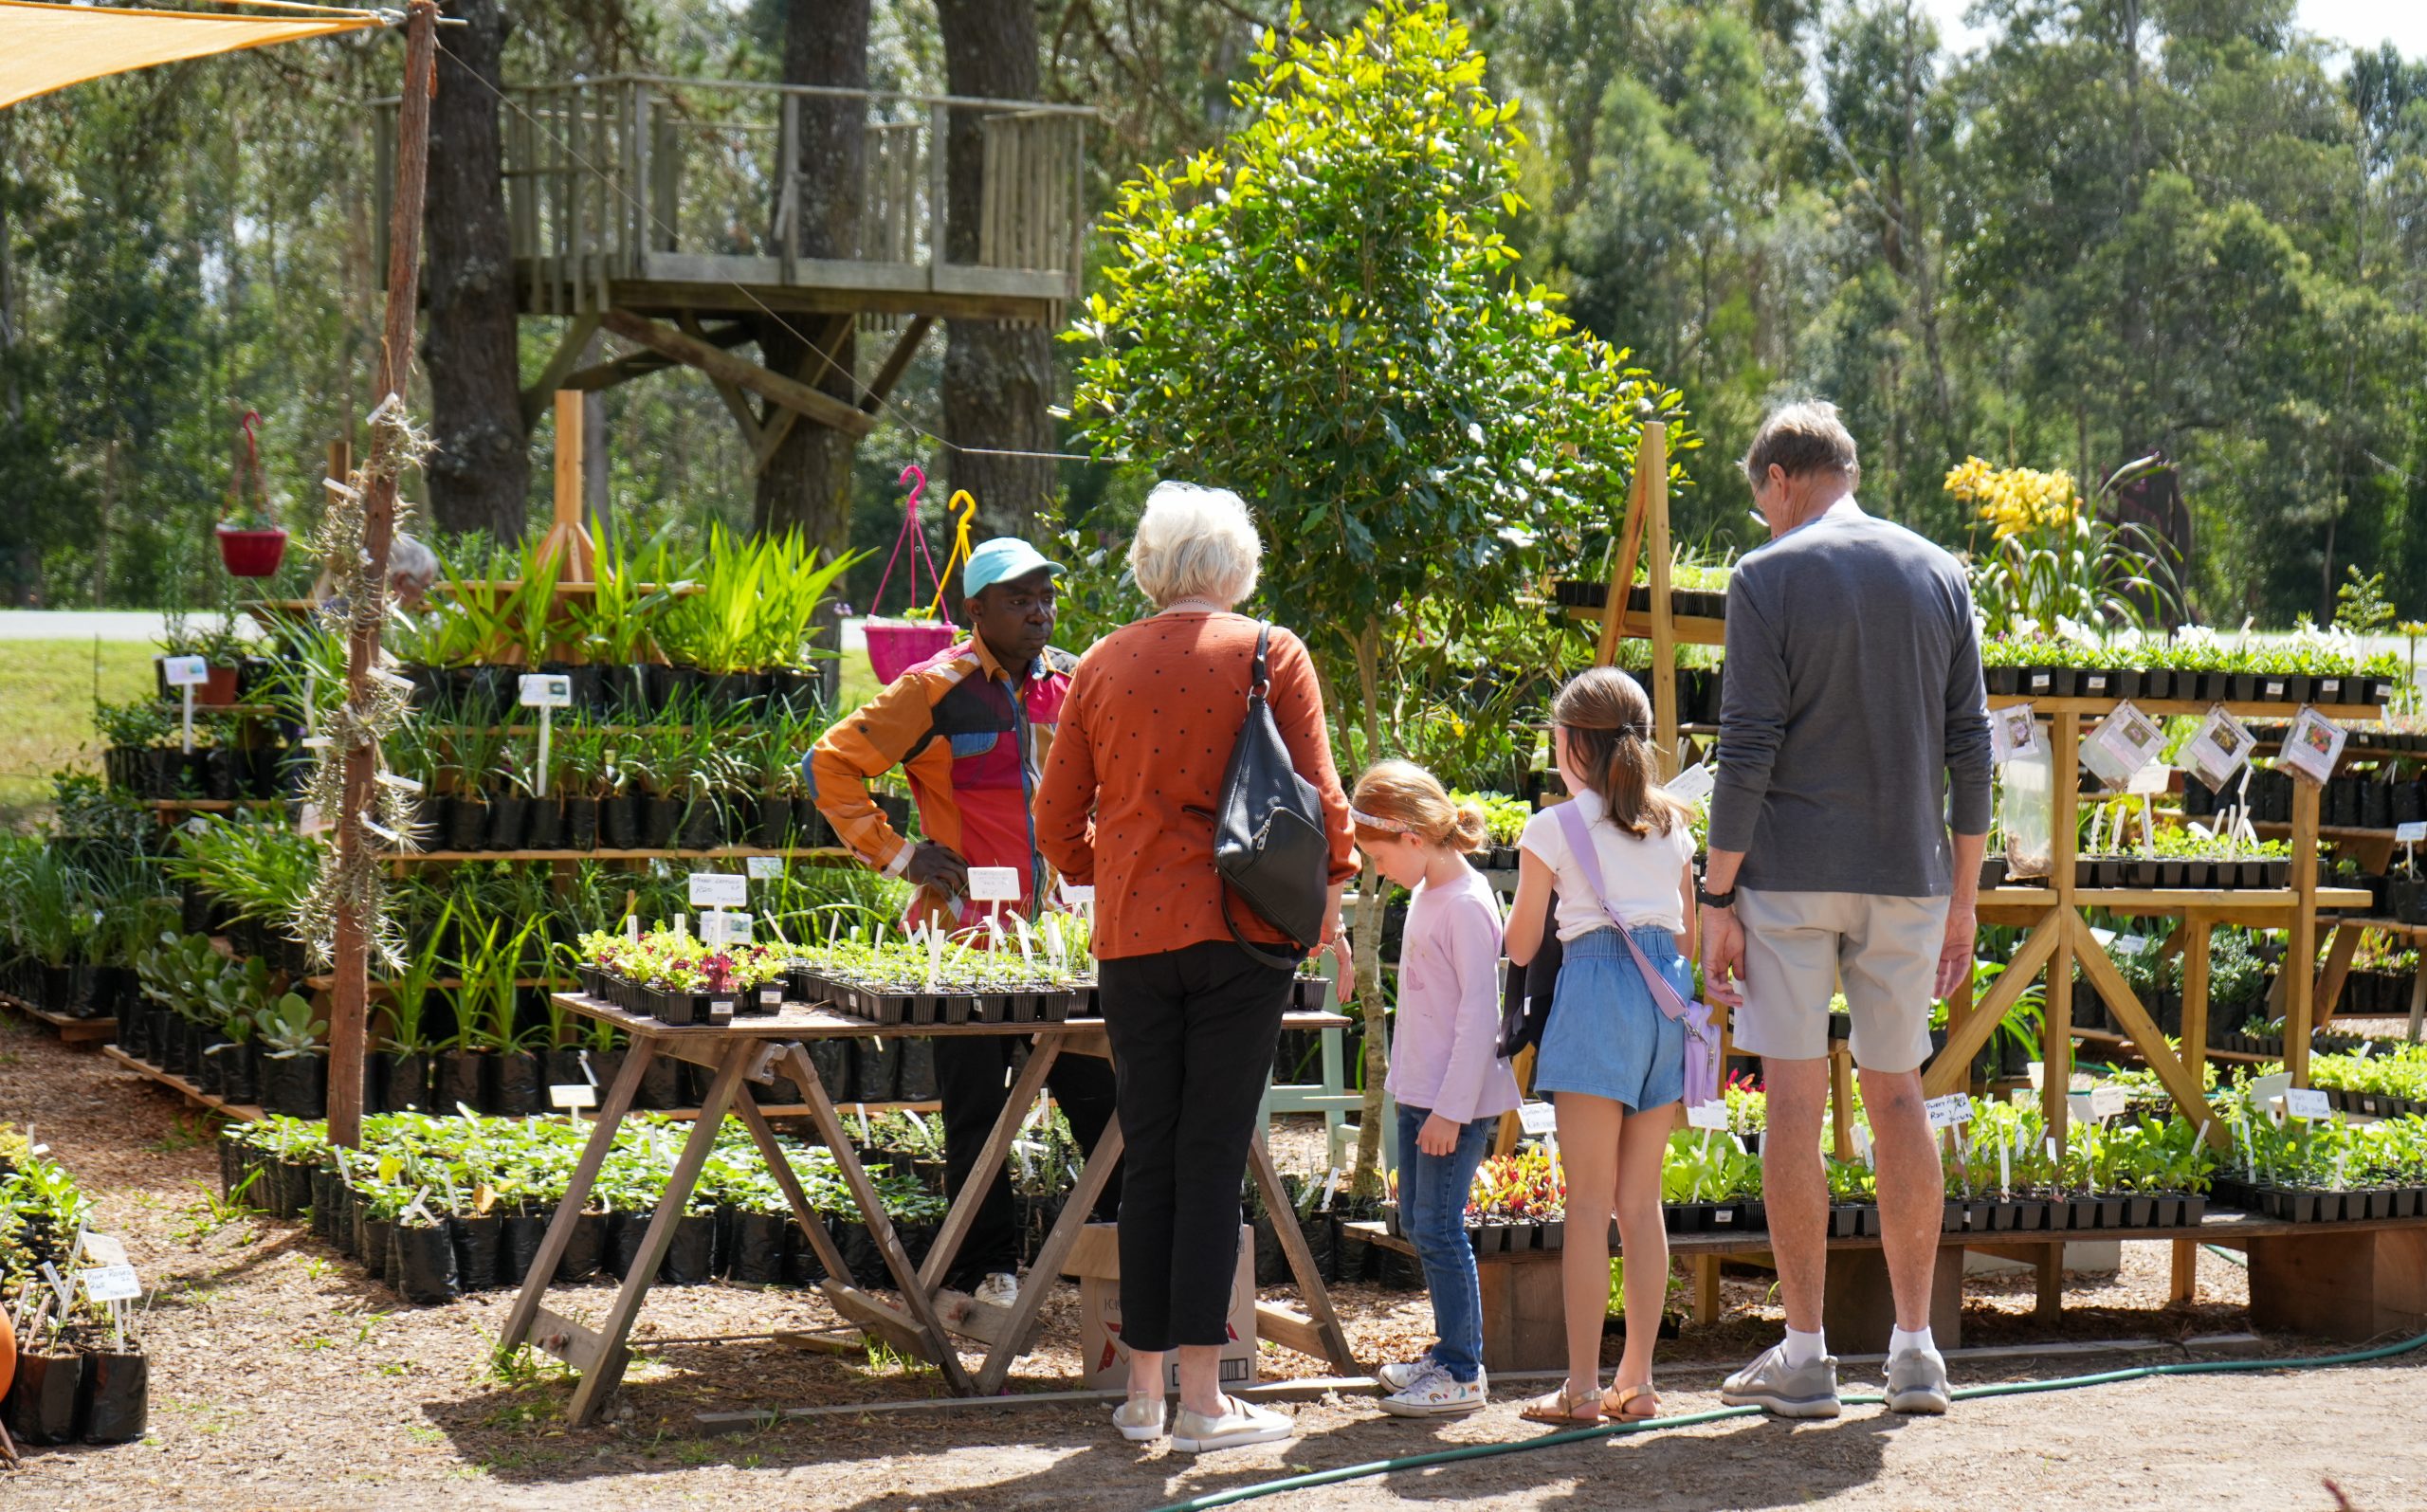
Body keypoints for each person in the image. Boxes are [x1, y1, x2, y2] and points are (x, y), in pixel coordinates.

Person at [1032, 481, 1356, 1454]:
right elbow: (1322, 801)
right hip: (1239, 929)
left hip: (1133, 936)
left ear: (1150, 564)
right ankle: (1205, 1397)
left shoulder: (1097, 663)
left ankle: (1140, 1389)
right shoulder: (1269, 651)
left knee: (1152, 1152)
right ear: (1233, 566)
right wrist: (1329, 897)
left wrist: (1111, 863)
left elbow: (1056, 821)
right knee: (1215, 1155)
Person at [1699, 400, 1992, 1419]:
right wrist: (1964, 895)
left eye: (1761, 499)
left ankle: (1807, 1351)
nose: (1765, 518)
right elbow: (1971, 746)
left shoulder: (1765, 576)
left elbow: (1747, 749)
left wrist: (1713, 890)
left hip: (1787, 878)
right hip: (1910, 876)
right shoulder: (1939, 571)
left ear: (1780, 477)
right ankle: (1915, 1351)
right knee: (1897, 1094)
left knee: (1792, 1099)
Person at [807, 536, 1122, 1311]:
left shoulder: (1078, 683)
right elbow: (830, 763)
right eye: (1019, 600)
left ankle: (1121, 1261)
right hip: (968, 944)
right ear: (973, 610)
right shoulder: (933, 688)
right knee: (977, 1112)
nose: (1040, 612)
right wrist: (900, 853)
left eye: (1046, 596)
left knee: (1103, 1104)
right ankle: (989, 1273)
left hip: (1063, 942)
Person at [1505, 667, 1698, 1427]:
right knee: (1639, 1202)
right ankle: (1637, 1382)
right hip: (1664, 1002)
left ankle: (1581, 1388)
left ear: (1571, 744)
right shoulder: (1673, 823)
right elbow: (1685, 931)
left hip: (1594, 996)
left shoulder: (1553, 826)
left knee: (1585, 1206)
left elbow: (1522, 942)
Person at [1353, 761, 1521, 1418]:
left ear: (1414, 836)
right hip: (1422, 1094)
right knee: (1424, 1224)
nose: (1378, 869)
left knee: (1441, 1227)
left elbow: (1480, 1017)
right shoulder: (1429, 892)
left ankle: (1462, 1366)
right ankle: (1450, 1350)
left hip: (1452, 1103)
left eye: (1380, 854)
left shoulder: (1469, 904)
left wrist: (1450, 1111)